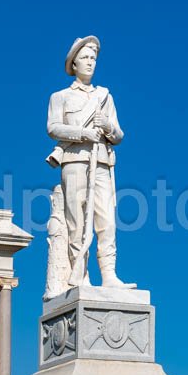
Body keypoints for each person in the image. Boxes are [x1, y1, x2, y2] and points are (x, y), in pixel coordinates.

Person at [46, 35, 129, 290]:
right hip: (74, 161)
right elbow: (53, 128)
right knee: (77, 223)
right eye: (85, 58)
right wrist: (83, 134)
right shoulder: (60, 97)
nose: (90, 63)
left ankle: (109, 274)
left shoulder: (105, 97)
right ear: (74, 64)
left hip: (102, 162)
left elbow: (119, 135)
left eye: (94, 58)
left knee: (107, 222)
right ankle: (80, 276)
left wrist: (107, 127)